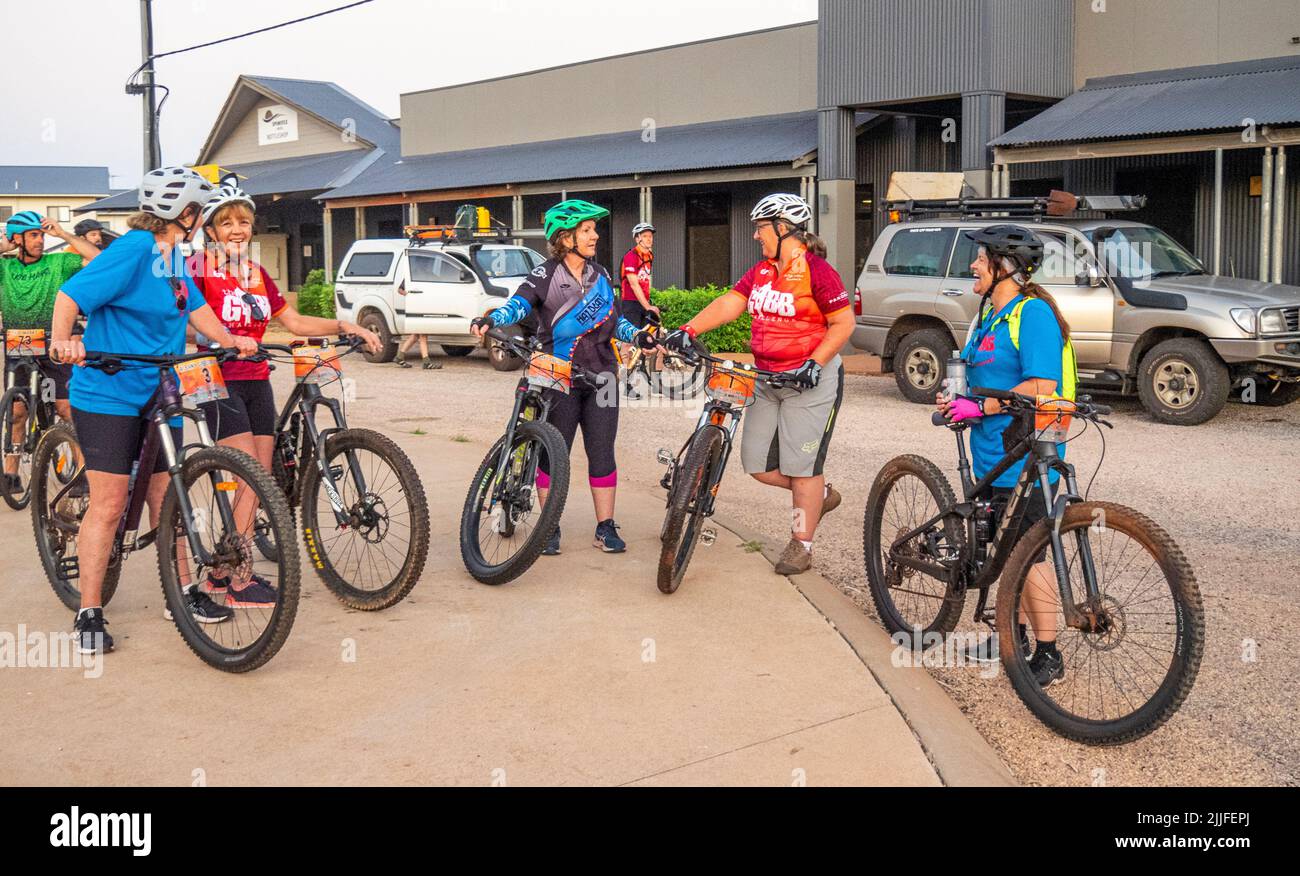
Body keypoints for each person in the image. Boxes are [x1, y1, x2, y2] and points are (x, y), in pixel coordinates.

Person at [49, 166, 259, 655]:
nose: (200, 218)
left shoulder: (174, 256)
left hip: (161, 389)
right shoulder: (131, 250)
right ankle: (90, 611)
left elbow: (195, 309)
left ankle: (182, 592)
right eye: (199, 211)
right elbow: (69, 295)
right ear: (185, 214)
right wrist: (63, 341)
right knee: (109, 502)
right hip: (109, 392)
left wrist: (231, 341)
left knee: (168, 498)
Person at [188, 177, 381, 605]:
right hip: (213, 378)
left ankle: (223, 570)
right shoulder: (198, 269)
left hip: (256, 377)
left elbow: (292, 322)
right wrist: (223, 338)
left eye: (243, 222)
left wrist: (343, 325)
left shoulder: (257, 274)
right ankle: (237, 578)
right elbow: (182, 321)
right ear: (212, 231)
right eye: (227, 223)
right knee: (247, 474)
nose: (237, 230)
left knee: (259, 478)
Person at [663, 193, 853, 575]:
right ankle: (819, 494)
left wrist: (815, 363)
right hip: (767, 376)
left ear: (783, 229)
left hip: (809, 379)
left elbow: (843, 323)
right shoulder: (763, 271)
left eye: (761, 228)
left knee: (802, 467)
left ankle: (802, 543)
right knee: (757, 465)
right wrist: (688, 329)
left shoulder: (818, 271)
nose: (756, 235)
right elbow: (732, 302)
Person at [470, 199, 653, 555]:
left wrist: (639, 336)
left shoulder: (600, 275)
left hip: (602, 377)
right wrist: (491, 319)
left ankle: (605, 527)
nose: (595, 235)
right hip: (558, 376)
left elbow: (616, 321)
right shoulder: (544, 275)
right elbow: (518, 305)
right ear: (565, 237)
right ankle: (549, 525)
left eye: (593, 229)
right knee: (553, 454)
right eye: (587, 230)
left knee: (602, 452)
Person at [936, 224, 1076, 687]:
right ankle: (1007, 635)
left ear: (1006, 267)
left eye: (981, 258)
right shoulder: (988, 317)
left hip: (1026, 457)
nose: (973, 265)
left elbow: (1041, 386)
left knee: (1028, 553)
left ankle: (1049, 653)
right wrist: (956, 398)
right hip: (990, 455)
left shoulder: (1031, 313)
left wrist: (980, 404)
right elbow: (977, 376)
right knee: (1002, 547)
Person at [0, 211, 100, 490]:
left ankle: (81, 471)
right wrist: (4, 245)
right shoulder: (5, 268)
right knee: (17, 411)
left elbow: (98, 258)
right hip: (18, 344)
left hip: (54, 344)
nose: (41, 240)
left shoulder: (59, 262)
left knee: (66, 408)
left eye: (41, 234)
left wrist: (65, 235)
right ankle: (11, 475)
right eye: (33, 235)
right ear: (17, 238)